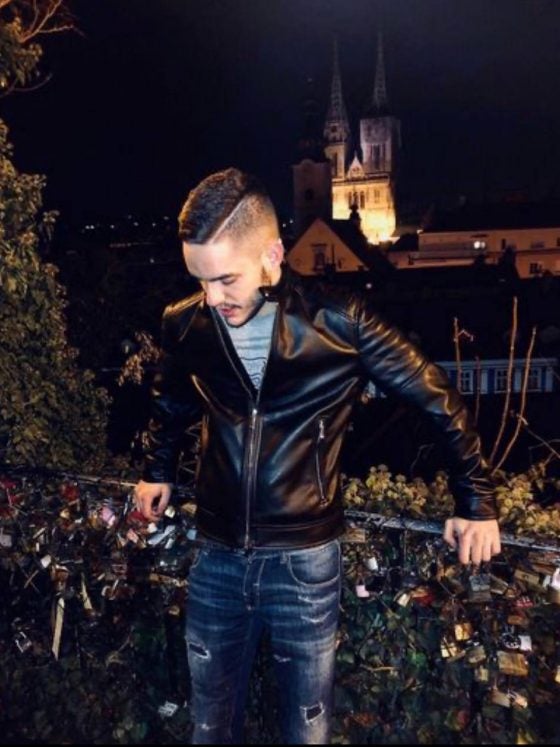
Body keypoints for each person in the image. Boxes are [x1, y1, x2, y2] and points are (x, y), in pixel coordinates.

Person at [134, 168, 501, 744]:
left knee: (305, 732)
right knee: (209, 728)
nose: (212, 298)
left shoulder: (338, 320)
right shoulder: (184, 324)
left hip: (303, 564)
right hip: (216, 556)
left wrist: (475, 503)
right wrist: (156, 472)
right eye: (200, 280)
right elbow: (171, 399)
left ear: (272, 255)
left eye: (226, 279)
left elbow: (436, 397)